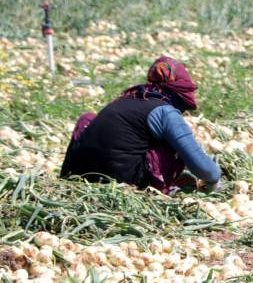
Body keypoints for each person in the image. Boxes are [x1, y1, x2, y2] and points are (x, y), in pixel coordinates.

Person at [60, 56, 221, 195]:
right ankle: (159, 188)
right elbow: (207, 171)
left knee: (88, 119)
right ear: (179, 91)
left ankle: (68, 177)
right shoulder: (165, 112)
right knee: (173, 148)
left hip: (81, 175)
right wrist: (213, 180)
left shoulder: (127, 99)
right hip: (119, 182)